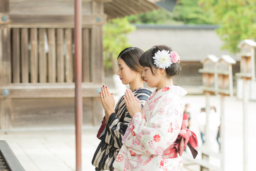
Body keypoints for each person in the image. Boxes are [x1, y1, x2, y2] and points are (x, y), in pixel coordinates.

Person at [113, 45, 198, 171]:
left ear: (161, 69)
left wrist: (136, 115)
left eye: (146, 70)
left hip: (160, 165)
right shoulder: (160, 95)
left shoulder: (169, 99)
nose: (143, 74)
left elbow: (155, 142)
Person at [92, 47, 152, 171]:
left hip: (119, 164)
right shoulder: (129, 95)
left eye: (121, 68)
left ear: (135, 67)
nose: (118, 73)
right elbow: (111, 127)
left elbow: (124, 140)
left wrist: (109, 110)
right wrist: (108, 109)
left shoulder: (140, 99)